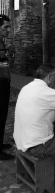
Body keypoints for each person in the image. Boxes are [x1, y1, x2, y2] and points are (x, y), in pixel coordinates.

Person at [0, 14, 14, 161]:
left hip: (4, 83)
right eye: (5, 27)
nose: (8, 30)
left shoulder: (2, 42)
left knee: (3, 115)